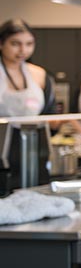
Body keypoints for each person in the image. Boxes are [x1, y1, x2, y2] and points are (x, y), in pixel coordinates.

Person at [0, 18, 57, 188]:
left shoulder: (39, 74)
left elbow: (49, 114)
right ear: (1, 43)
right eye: (15, 44)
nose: (23, 50)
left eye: (29, 44)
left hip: (34, 147)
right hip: (2, 147)